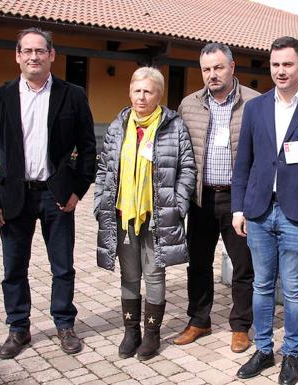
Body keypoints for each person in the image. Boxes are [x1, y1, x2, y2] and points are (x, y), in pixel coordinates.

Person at [0, 27, 96, 359]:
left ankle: (65, 324)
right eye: (26, 51)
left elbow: (88, 148)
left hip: (56, 196)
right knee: (14, 267)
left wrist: (78, 190)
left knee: (63, 266)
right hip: (14, 196)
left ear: (51, 55)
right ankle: (18, 328)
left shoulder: (72, 95)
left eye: (40, 51)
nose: (33, 56)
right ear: (17, 56)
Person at [232, 36, 298, 385]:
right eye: (275, 64)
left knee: (292, 288)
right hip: (259, 212)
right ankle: (263, 349)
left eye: (288, 64)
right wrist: (239, 208)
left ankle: (290, 355)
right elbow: (243, 163)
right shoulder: (256, 108)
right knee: (262, 285)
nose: (281, 71)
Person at [94, 67, 196, 360]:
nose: (141, 96)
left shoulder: (173, 127)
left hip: (156, 216)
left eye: (148, 91)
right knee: (129, 275)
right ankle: (131, 332)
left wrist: (178, 204)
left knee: (153, 274)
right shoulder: (118, 126)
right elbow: (104, 168)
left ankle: (151, 334)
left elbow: (187, 169)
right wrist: (101, 200)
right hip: (123, 214)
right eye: (137, 90)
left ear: (159, 95)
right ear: (129, 91)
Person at [175, 42, 259, 352]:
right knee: (198, 262)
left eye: (218, 67)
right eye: (206, 69)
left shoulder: (255, 103)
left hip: (239, 202)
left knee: (242, 265)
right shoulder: (189, 105)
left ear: (232, 67)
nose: (212, 74)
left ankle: (240, 326)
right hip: (201, 199)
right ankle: (199, 320)